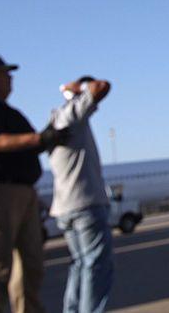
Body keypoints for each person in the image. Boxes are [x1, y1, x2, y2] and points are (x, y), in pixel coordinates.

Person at [0, 55, 68, 313]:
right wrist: (40, 138)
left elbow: (34, 141)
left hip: (21, 193)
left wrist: (47, 137)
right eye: (4, 74)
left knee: (30, 268)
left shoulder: (11, 113)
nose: (11, 79)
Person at [48, 76, 114, 313]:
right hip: (86, 204)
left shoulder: (54, 127)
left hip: (64, 207)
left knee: (79, 265)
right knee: (96, 267)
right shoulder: (71, 117)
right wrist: (82, 86)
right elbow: (103, 86)